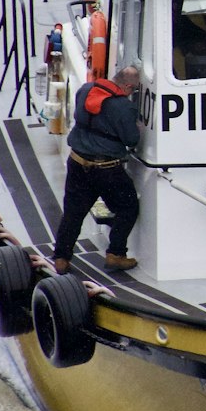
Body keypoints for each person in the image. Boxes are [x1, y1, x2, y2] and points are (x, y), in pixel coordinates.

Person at [52, 66, 142, 273]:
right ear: (128, 86)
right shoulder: (124, 107)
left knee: (73, 213)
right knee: (127, 207)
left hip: (77, 162)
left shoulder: (85, 89)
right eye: (133, 89)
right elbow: (131, 139)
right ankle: (116, 254)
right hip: (107, 169)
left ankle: (61, 258)